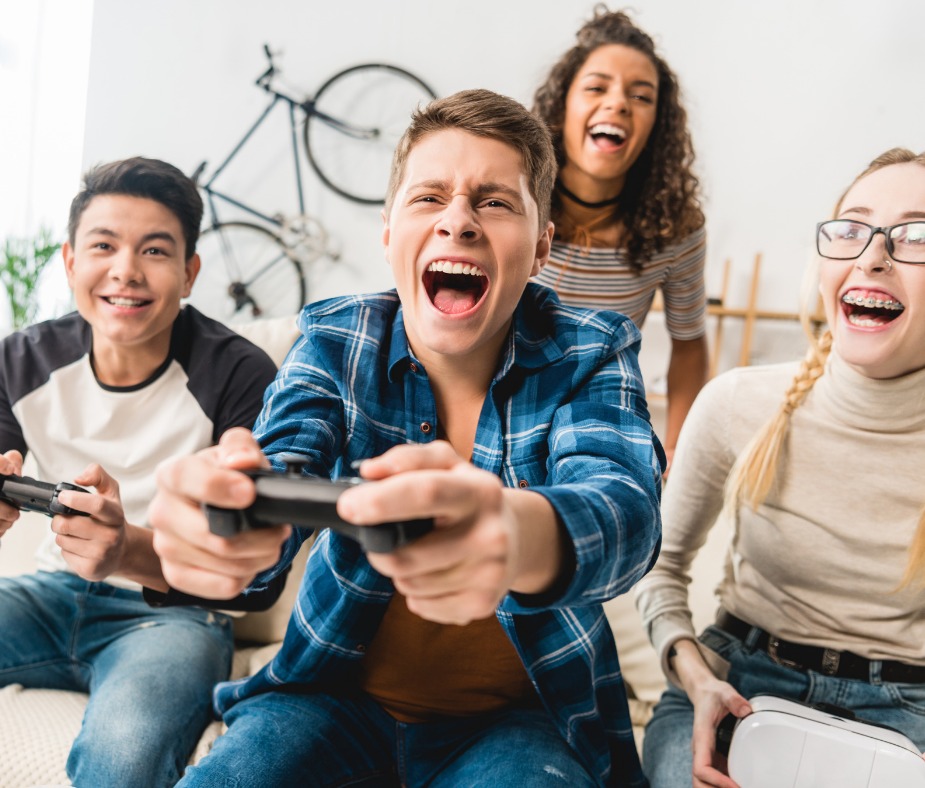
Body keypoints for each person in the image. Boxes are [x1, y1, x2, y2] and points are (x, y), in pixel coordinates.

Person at [145, 89, 664, 788]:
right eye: (429, 199)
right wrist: (228, 523)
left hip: (522, 725)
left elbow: (624, 510)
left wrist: (512, 530)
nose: (459, 221)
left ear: (541, 247)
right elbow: (282, 460)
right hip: (329, 700)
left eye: (495, 201)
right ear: (388, 233)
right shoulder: (335, 339)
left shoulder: (592, 350)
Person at [634, 148, 925, 788]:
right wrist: (697, 679)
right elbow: (656, 568)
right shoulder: (736, 404)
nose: (873, 256)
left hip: (910, 719)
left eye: (919, 236)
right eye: (852, 229)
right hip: (735, 688)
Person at [0, 157, 278, 788]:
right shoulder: (21, 360)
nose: (125, 270)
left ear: (189, 274)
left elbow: (257, 574)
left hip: (173, 618)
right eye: (103, 246)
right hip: (49, 595)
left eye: (155, 250)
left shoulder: (242, 376)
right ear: (71, 262)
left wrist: (127, 548)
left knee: (123, 762)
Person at [532, 7, 708, 474]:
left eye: (642, 96)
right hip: (505, 405)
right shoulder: (515, 199)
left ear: (657, 125)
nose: (618, 103)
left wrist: (675, 455)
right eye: (596, 87)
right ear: (561, 105)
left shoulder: (677, 227)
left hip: (602, 414)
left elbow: (688, 344)